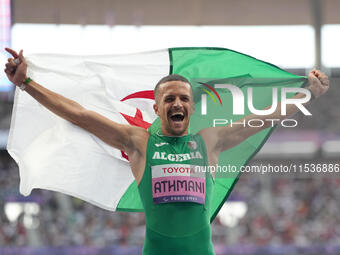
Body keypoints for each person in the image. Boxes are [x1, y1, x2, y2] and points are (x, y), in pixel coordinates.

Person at [4, 48, 329, 255]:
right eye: (170, 99)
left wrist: (308, 94)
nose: (177, 103)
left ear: (191, 106)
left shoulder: (209, 140)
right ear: (157, 107)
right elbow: (79, 114)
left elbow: (264, 117)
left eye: (184, 99)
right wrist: (26, 83)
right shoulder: (139, 142)